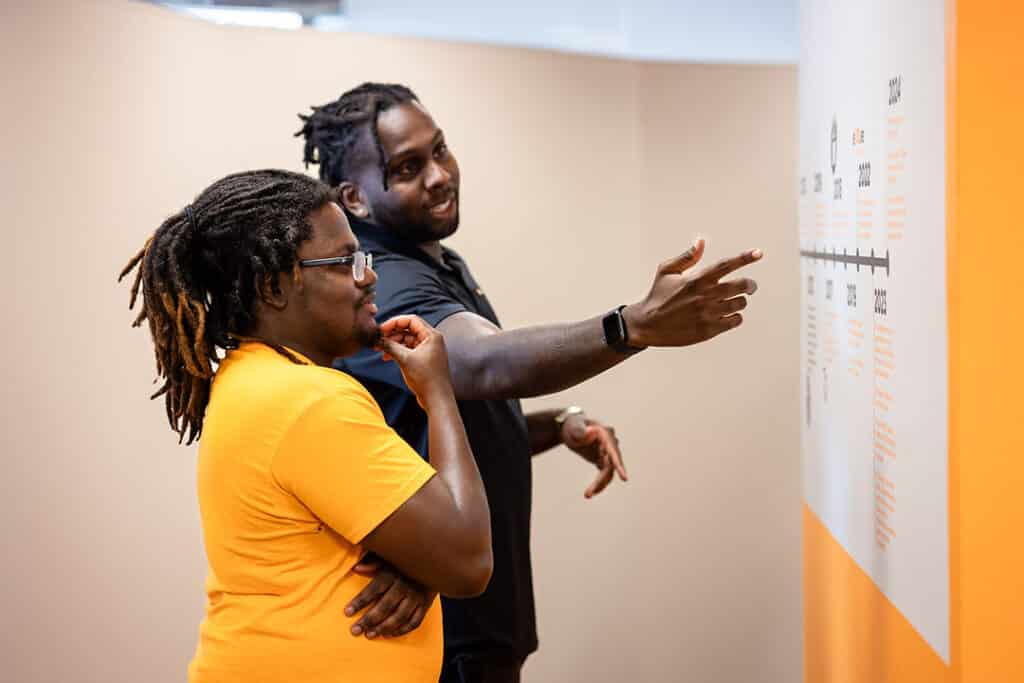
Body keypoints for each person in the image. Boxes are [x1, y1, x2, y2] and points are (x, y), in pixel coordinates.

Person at [297, 84, 762, 682]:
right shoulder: (385, 282)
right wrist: (630, 326)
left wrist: (554, 425)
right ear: (354, 197)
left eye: (440, 150)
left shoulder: (434, 258)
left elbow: (453, 408)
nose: (439, 175)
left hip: (482, 619)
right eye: (409, 168)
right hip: (446, 633)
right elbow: (481, 362)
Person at [119, 169, 493, 682]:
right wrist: (438, 391)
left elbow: (423, 536)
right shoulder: (309, 401)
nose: (368, 276)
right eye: (345, 262)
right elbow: (468, 558)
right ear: (274, 285)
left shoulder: (251, 378)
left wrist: (420, 562)